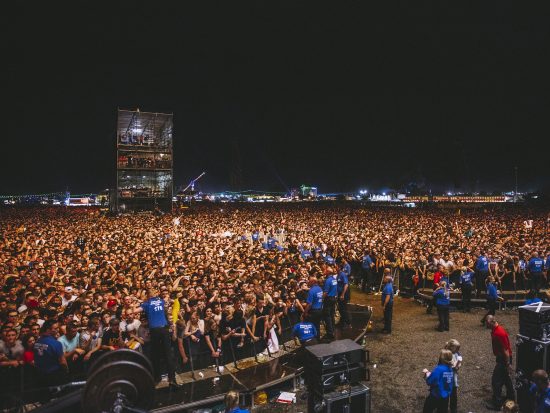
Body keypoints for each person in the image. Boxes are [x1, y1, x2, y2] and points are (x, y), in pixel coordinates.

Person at [134, 288, 180, 388]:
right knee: (168, 354)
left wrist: (137, 303)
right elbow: (172, 301)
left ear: (147, 296)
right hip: (164, 329)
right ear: (155, 294)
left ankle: (156, 378)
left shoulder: (146, 303)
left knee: (155, 355)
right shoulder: (161, 301)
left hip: (154, 330)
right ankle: (172, 379)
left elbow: (134, 311)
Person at [485, 315, 515, 411]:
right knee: (506, 379)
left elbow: (505, 350)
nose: (486, 324)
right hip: (502, 357)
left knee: (496, 381)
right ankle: (511, 398)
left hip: (503, 359)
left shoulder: (499, 333)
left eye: (487, 323)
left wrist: (507, 364)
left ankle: (497, 404)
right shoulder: (495, 330)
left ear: (492, 322)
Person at [33, 320, 68, 386]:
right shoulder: (56, 343)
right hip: (54, 375)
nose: (58, 330)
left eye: (58, 328)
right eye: (55, 328)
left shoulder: (37, 342)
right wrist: (66, 372)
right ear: (48, 330)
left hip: (39, 374)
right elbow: (62, 361)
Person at [422, 349, 454, 413]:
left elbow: (431, 381)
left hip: (436, 395)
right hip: (446, 397)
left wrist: (427, 373)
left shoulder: (439, 369)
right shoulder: (450, 369)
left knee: (427, 409)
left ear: (441, 358)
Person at [445, 339, 462, 413]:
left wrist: (458, 365)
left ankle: (453, 408)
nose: (458, 350)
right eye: (457, 348)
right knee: (445, 393)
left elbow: (459, 360)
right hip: (447, 375)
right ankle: (443, 408)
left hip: (454, 376)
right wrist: (454, 366)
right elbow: (444, 364)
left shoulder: (457, 353)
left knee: (453, 393)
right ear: (451, 347)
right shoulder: (446, 354)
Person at [322, 269, 338, 340]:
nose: (324, 271)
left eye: (325, 271)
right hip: (333, 298)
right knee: (331, 315)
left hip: (328, 299)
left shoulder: (328, 281)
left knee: (327, 316)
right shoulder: (334, 279)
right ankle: (333, 329)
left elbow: (325, 292)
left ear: (328, 272)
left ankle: (330, 333)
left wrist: (321, 299)